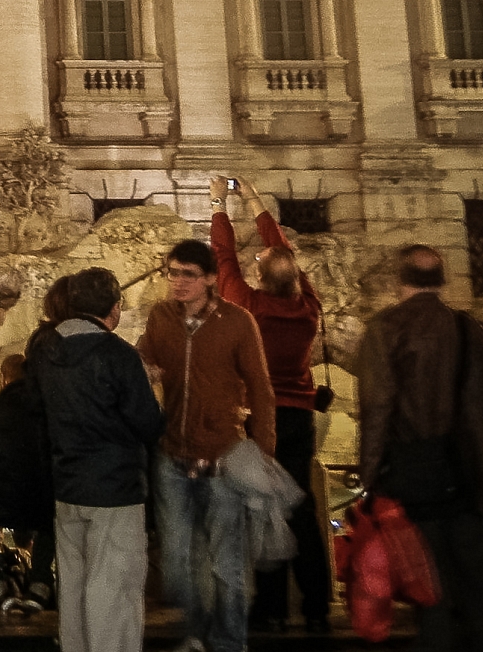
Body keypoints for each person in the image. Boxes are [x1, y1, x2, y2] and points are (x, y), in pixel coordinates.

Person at [357, 244, 483, 652]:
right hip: (472, 479)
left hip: (415, 478)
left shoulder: (385, 329)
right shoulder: (479, 333)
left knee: (430, 590)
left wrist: (369, 476)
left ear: (400, 280)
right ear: (442, 280)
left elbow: (378, 407)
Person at [138, 239, 275, 652]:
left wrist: (264, 454)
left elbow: (261, 388)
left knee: (225, 560)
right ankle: (196, 632)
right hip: (173, 451)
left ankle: (229, 641)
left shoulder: (238, 321)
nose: (177, 282)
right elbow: (142, 358)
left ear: (211, 279)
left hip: (222, 453)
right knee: (177, 560)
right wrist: (144, 367)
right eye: (172, 273)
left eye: (187, 275)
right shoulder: (161, 316)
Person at [208, 177, 329, 634]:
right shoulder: (309, 308)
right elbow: (282, 252)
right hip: (300, 415)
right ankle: (316, 605)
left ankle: (271, 607)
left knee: (262, 508)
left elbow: (221, 258)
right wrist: (254, 199)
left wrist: (219, 202)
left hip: (263, 419)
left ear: (258, 277)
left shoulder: (249, 306)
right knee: (301, 510)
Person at [32, 266, 165, 652]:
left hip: (66, 484)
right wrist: (155, 389)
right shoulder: (117, 354)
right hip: (114, 488)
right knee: (114, 591)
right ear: (115, 307)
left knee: (72, 587)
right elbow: (147, 423)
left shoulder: (45, 349)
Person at [0, 353, 55, 613]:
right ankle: (40, 584)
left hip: (2, 500)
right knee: (53, 521)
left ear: (3, 378)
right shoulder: (49, 409)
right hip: (44, 499)